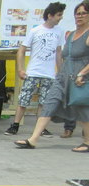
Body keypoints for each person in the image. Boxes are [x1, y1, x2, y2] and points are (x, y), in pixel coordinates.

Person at [15, 1, 89, 152]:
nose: (79, 16)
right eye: (77, 13)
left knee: (82, 110)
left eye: (83, 13)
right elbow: (62, 55)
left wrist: (82, 73)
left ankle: (87, 142)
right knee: (49, 103)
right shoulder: (71, 34)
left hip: (80, 79)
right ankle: (33, 139)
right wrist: (59, 71)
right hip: (63, 77)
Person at [4, 2, 66, 136]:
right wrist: (21, 69)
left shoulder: (59, 32)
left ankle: (41, 127)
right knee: (24, 99)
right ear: (50, 15)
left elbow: (59, 52)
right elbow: (21, 50)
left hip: (49, 74)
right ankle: (15, 125)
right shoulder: (35, 31)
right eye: (59, 15)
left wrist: (60, 72)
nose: (60, 18)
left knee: (44, 102)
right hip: (33, 72)